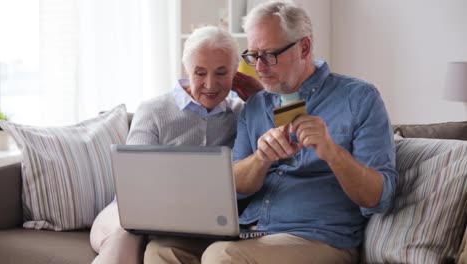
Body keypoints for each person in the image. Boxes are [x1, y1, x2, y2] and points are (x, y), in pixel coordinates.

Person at [144, 1, 398, 264]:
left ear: (304, 47)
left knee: (222, 256)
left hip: (318, 237)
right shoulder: (255, 105)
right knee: (162, 249)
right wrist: (261, 159)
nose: (259, 67)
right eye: (253, 56)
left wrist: (332, 152)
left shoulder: (359, 99)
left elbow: (380, 198)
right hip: (250, 234)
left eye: (269, 55)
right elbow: (234, 188)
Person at [89, 26, 262, 264]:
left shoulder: (240, 114)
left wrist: (260, 96)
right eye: (200, 73)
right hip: (132, 215)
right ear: (187, 70)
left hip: (201, 221)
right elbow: (133, 182)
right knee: (127, 234)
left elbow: (284, 133)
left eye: (221, 73)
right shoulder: (154, 110)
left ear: (236, 73)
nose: (210, 84)